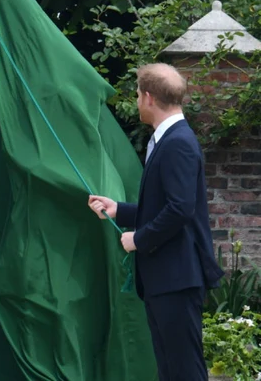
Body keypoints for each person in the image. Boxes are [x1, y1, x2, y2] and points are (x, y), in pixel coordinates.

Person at [88, 62, 223, 381]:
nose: (137, 101)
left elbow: (180, 210)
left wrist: (138, 239)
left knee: (185, 370)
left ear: (148, 97)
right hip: (168, 277)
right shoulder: (169, 139)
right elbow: (164, 206)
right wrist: (118, 210)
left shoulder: (178, 142)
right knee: (169, 368)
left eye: (137, 94)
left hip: (177, 277)